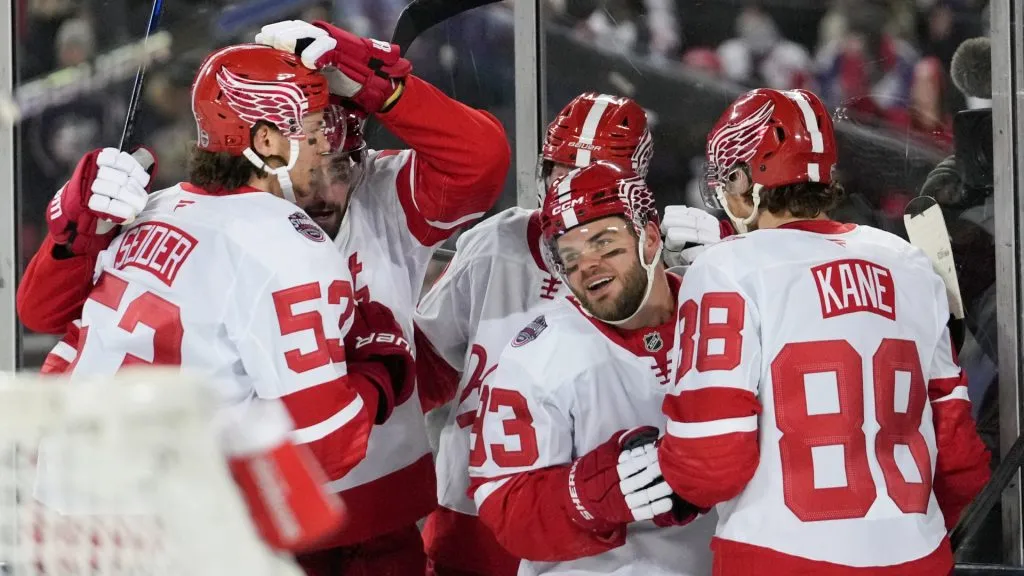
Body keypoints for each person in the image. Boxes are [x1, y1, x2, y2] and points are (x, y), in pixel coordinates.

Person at [18, 18, 511, 574]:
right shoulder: (272, 240)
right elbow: (43, 309)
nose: (330, 184)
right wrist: (376, 369)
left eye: (343, 156)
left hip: (292, 512)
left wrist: (373, 79)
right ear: (268, 141)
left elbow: (481, 157)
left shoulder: (177, 208)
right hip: (255, 515)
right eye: (317, 140)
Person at [657, 88, 992, 574]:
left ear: (749, 178)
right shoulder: (909, 263)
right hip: (916, 556)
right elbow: (960, 460)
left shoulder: (727, 269)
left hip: (779, 557)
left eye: (728, 178)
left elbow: (709, 466)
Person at [414, 92, 655, 576]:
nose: (570, 188)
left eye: (598, 175)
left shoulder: (654, 264)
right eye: (562, 170)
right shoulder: (497, 242)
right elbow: (429, 363)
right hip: (473, 498)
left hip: (588, 515)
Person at [466, 161, 715, 575]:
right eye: (571, 257)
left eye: (605, 244)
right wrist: (591, 493)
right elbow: (502, 502)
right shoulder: (538, 355)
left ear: (650, 239)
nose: (589, 265)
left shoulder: (721, 309)